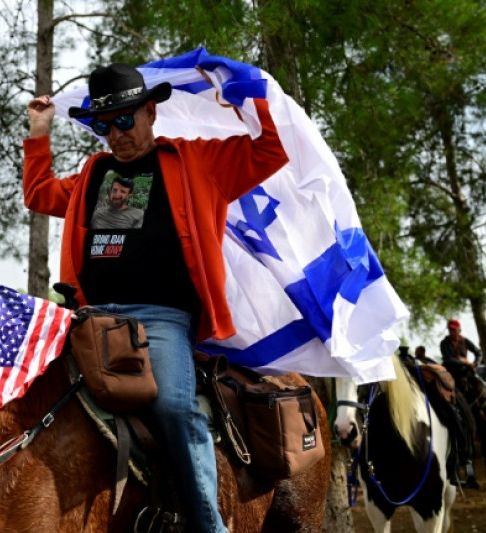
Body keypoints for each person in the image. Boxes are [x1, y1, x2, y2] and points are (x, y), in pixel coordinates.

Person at [24, 62, 288, 532]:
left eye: (125, 120)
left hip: (160, 320)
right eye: (105, 125)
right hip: (89, 319)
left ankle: (211, 527)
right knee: (32, 392)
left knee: (172, 407)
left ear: (150, 112)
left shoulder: (197, 161)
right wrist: (38, 131)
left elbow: (270, 150)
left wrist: (247, 99)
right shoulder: (95, 173)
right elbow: (40, 193)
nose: (116, 135)